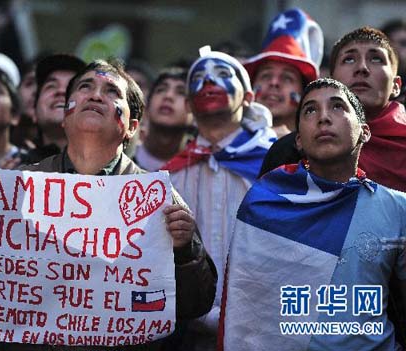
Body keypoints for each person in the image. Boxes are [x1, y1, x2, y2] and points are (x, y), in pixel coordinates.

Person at [0, 58, 217, 351]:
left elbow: (196, 304)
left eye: (112, 92)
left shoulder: (158, 198)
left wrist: (185, 251)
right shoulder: (13, 187)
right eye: (85, 86)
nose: (95, 95)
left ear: (132, 127)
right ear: (65, 117)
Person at [220, 78, 406, 351]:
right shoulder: (265, 203)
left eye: (337, 107)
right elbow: (247, 310)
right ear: (298, 140)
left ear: (365, 132)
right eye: (310, 110)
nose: (323, 118)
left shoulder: (398, 208)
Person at [162, 46, 275, 350]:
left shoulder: (274, 164)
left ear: (249, 97)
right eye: (198, 77)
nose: (209, 81)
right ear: (188, 104)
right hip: (188, 333)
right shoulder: (169, 176)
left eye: (223, 75)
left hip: (262, 329)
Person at [260, 27, 406, 193]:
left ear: (396, 85)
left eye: (376, 59)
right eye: (349, 60)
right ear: (332, 80)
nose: (362, 68)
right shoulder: (291, 149)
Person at [244, 7, 324, 138]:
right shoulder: (224, 144)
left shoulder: (320, 152)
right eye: (266, 76)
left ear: (304, 94)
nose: (274, 83)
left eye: (287, 78)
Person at [25, 54, 86, 163]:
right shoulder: (11, 172)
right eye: (51, 86)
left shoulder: (115, 172)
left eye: (71, 87)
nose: (61, 91)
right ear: (34, 112)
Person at [134, 67, 194, 171]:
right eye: (161, 90)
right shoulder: (120, 156)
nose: (168, 96)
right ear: (146, 107)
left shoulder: (203, 169)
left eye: (181, 92)